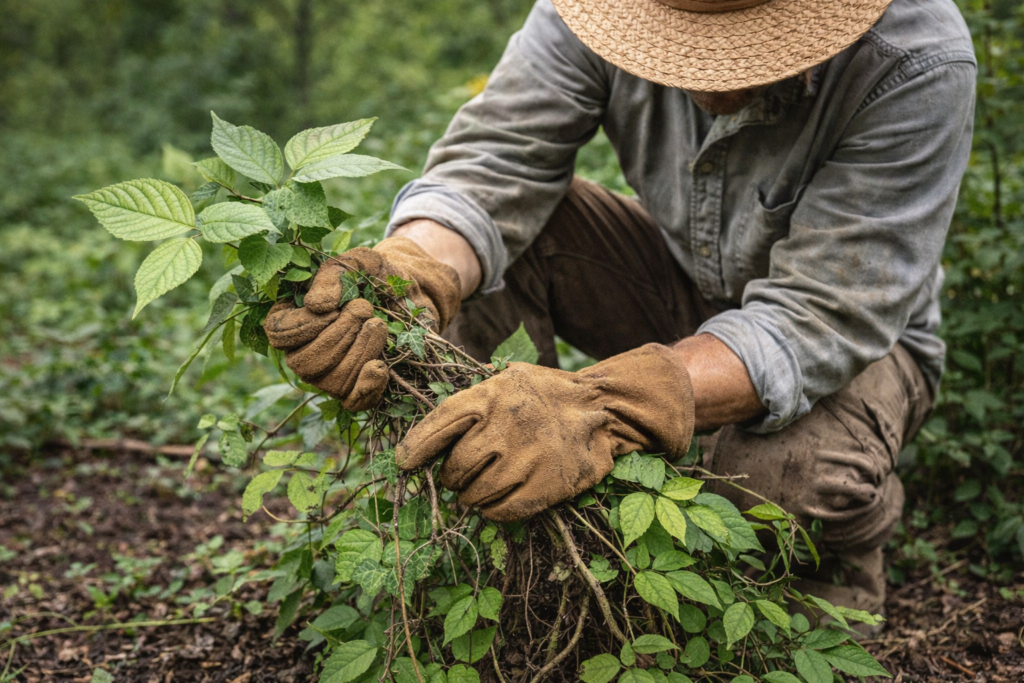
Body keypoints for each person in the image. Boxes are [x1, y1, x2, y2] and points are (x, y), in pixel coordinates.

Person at [263, 0, 976, 621]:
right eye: (684, 43)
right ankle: (501, 545)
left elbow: (814, 319)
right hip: (678, 281)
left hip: (858, 344)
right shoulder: (592, 11)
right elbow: (493, 170)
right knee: (492, 259)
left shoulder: (914, 59)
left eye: (740, 52)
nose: (706, 81)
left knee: (776, 475)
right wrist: (412, 269)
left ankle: (838, 550)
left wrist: (601, 404)